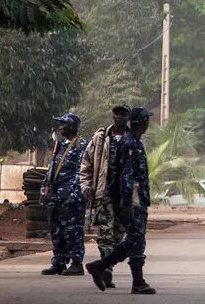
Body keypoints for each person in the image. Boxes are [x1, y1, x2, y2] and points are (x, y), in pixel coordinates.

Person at [85, 107, 156, 295]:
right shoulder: (130, 144)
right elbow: (127, 177)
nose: (148, 123)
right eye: (147, 120)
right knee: (137, 240)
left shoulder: (134, 142)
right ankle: (137, 282)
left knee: (132, 240)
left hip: (137, 200)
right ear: (142, 123)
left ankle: (100, 266)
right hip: (133, 202)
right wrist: (128, 204)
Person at [80, 104, 131, 289]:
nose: (120, 116)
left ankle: (105, 265)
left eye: (124, 114)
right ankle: (106, 267)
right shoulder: (101, 138)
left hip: (124, 196)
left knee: (120, 234)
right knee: (105, 233)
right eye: (117, 113)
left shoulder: (132, 138)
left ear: (128, 117)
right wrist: (86, 185)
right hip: (105, 193)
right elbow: (86, 164)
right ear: (112, 115)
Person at [41, 113, 88, 276]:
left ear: (72, 127)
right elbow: (52, 168)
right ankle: (59, 261)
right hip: (55, 195)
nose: (60, 127)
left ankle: (76, 262)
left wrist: (74, 192)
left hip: (70, 196)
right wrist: (45, 188)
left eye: (63, 124)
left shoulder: (81, 145)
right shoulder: (60, 145)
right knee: (56, 229)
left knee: (73, 230)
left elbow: (82, 171)